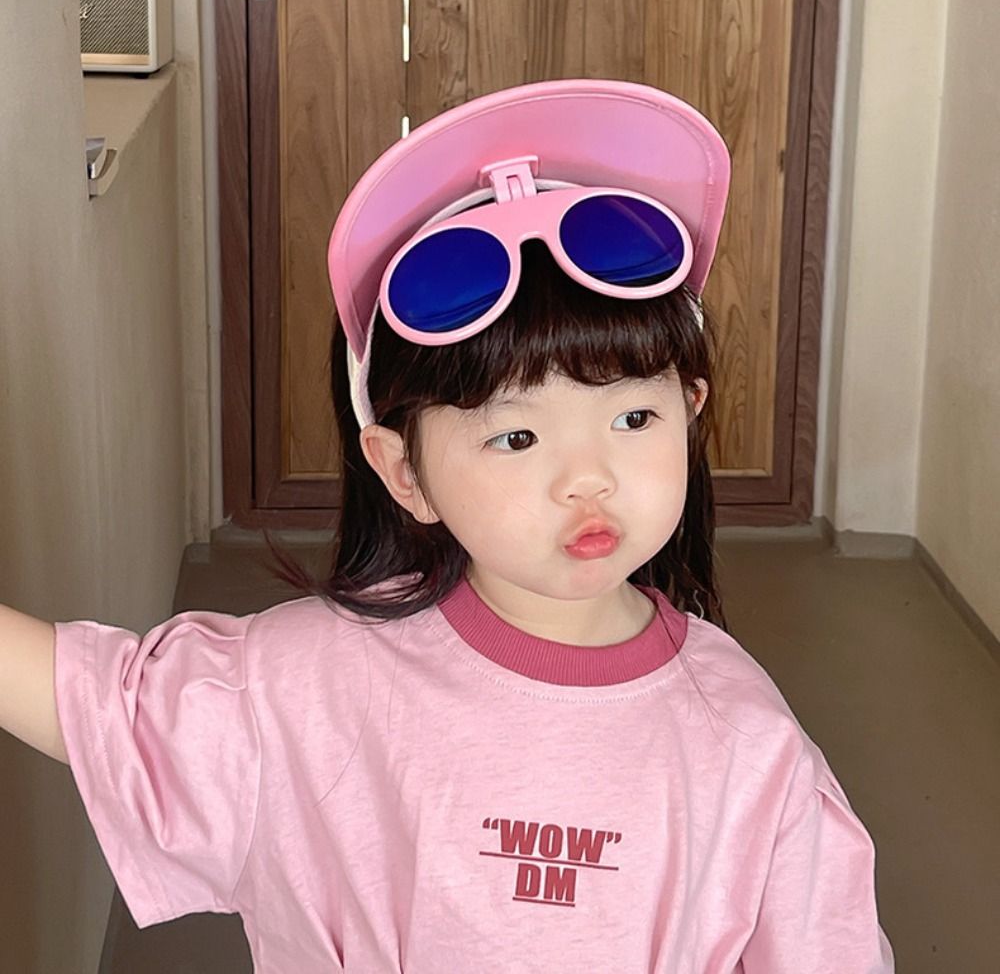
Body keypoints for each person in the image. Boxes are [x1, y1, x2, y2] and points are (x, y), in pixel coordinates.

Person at [0, 80, 894, 972]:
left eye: (633, 418)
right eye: (516, 436)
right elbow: (99, 707)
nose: (588, 476)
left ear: (689, 413)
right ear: (405, 474)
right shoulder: (311, 679)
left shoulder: (748, 739)